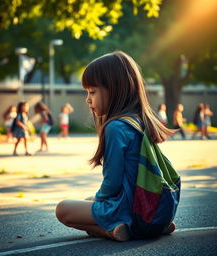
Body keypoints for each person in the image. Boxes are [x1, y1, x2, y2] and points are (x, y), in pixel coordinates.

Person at [55, 51, 180, 242]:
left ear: (114, 90)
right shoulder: (139, 121)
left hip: (129, 208)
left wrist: (100, 198)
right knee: (88, 201)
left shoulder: (116, 127)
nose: (87, 99)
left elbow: (112, 183)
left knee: (63, 209)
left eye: (93, 92)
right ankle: (152, 227)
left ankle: (111, 231)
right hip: (153, 209)